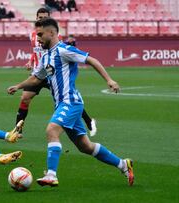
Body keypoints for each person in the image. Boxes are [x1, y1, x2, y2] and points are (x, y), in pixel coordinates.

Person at [7, 17, 134, 187]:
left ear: (52, 33)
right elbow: (37, 79)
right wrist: (19, 86)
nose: (37, 38)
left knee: (52, 130)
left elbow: (91, 59)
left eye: (40, 34)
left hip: (71, 102)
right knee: (85, 146)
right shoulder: (45, 57)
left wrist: (109, 80)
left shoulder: (64, 50)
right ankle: (123, 164)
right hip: (61, 105)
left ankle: (51, 175)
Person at [17, 8, 97, 136]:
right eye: (40, 17)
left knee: (67, 97)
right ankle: (18, 130)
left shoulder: (54, 35)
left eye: (45, 17)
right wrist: (30, 61)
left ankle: (88, 121)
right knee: (25, 98)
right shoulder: (33, 35)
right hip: (38, 72)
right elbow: (35, 51)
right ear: (36, 18)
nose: (42, 19)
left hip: (52, 72)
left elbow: (57, 53)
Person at [63, 34, 97, 136]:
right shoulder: (64, 49)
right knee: (72, 102)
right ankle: (88, 122)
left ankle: (87, 123)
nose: (69, 42)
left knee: (73, 102)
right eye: (68, 41)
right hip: (60, 80)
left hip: (67, 82)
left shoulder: (71, 51)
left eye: (71, 41)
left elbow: (87, 58)